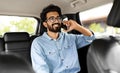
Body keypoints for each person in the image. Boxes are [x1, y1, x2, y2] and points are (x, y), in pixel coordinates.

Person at [31, 4, 95, 73]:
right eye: (51, 18)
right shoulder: (38, 43)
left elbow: (91, 38)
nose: (56, 21)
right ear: (45, 24)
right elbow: (41, 69)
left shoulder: (70, 38)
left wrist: (77, 26)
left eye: (58, 18)